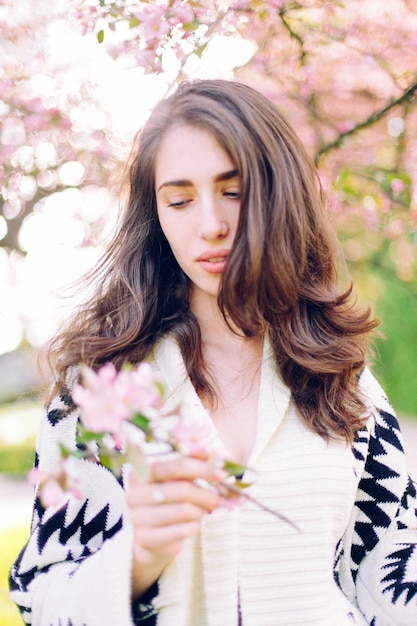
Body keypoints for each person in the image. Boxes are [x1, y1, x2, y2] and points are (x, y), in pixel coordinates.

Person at [10, 79, 417, 626]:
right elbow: (41, 593)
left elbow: (397, 574)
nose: (210, 226)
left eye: (233, 191)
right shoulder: (101, 389)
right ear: (156, 215)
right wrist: (138, 555)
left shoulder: (341, 378)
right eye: (179, 200)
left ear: (280, 194)